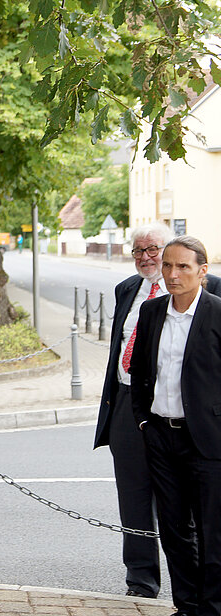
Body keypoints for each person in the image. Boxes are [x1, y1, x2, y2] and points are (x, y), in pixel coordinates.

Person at [93, 224, 221, 598]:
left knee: (199, 518)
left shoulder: (212, 297)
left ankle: (206, 601)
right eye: (139, 251)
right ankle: (142, 581)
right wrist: (140, 416)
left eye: (155, 250)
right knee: (138, 500)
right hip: (138, 412)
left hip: (200, 425)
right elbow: (132, 358)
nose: (147, 259)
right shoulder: (130, 292)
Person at [130, 235, 221, 616]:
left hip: (209, 442)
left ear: (202, 271)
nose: (172, 273)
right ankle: (185, 606)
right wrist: (143, 421)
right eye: (167, 265)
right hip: (161, 437)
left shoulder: (217, 313)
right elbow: (139, 372)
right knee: (174, 530)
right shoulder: (151, 313)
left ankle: (213, 608)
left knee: (213, 534)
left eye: (183, 266)